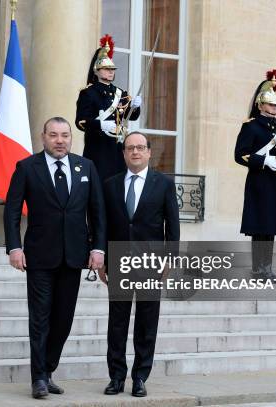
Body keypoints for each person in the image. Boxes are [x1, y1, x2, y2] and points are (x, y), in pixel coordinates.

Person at [3, 117, 106, 399]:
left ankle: (48, 369)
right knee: (40, 318)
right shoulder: (27, 168)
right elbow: (11, 210)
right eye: (53, 135)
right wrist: (14, 247)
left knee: (63, 319)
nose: (60, 140)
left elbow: (97, 211)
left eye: (65, 135)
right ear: (43, 137)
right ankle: (38, 378)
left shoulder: (85, 167)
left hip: (74, 257)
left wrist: (98, 248)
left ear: (71, 138)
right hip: (38, 256)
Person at [98, 131, 180, 397]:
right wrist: (102, 258)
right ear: (123, 153)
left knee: (147, 322)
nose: (135, 152)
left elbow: (173, 225)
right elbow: (103, 225)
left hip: (150, 261)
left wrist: (170, 257)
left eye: (140, 147)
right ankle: (116, 377)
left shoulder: (163, 184)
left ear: (148, 152)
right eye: (130, 148)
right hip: (119, 259)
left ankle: (140, 377)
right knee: (117, 323)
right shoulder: (110, 184)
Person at [234, 69, 276, 282]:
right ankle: (259, 270)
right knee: (260, 226)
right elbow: (239, 155)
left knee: (271, 227)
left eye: (275, 105)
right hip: (260, 182)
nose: (274, 108)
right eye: (270, 104)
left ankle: (267, 269)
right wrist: (264, 161)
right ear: (260, 105)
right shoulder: (251, 127)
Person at [75, 35, 141, 186]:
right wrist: (101, 125)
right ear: (97, 71)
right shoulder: (88, 93)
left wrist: (136, 106)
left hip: (117, 149)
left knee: (117, 189)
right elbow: (81, 121)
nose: (111, 72)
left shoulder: (120, 93)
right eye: (106, 69)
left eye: (112, 69)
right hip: (98, 149)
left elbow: (132, 116)